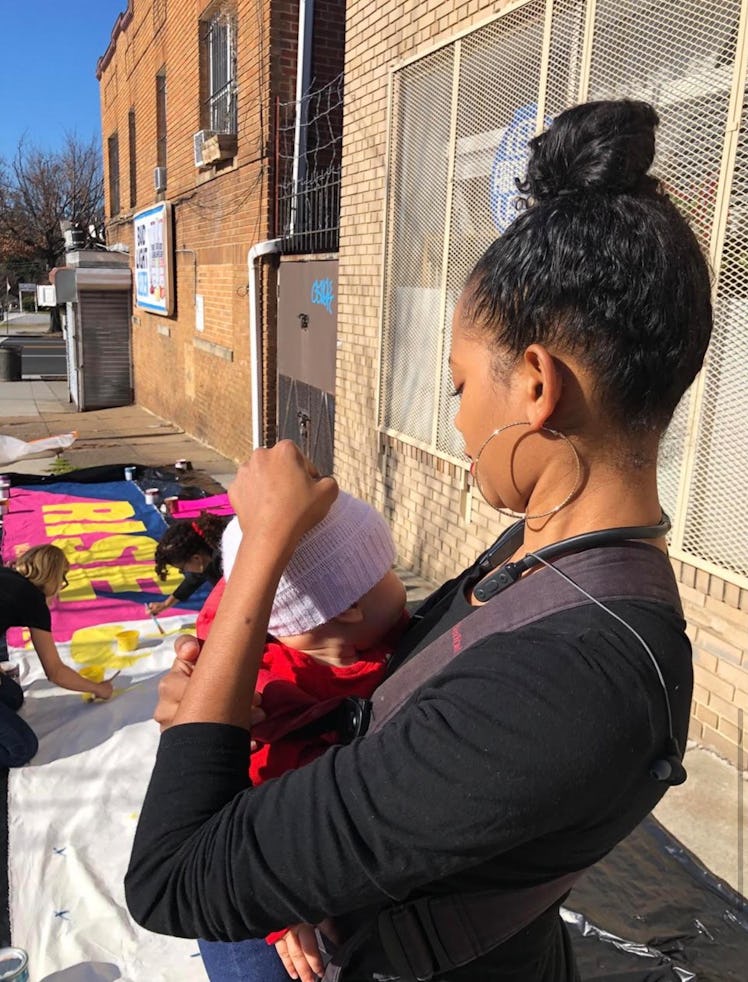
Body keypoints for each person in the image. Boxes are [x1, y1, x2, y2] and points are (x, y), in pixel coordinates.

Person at [125, 100, 712, 982]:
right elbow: (383, 701)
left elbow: (173, 876)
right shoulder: (544, 560)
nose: (460, 417)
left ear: (537, 387)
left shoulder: (573, 674)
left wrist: (265, 548)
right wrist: (228, 691)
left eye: (459, 385)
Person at [189, 494, 406, 981]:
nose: (402, 589)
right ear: (350, 607)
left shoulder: (373, 639)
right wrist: (284, 905)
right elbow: (250, 824)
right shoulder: (271, 706)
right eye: (389, 574)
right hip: (265, 887)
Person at [0, 545, 115, 767]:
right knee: (21, 749)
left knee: (13, 697)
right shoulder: (32, 599)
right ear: (54, 577)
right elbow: (55, 672)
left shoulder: (8, 575)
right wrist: (98, 688)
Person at [147, 513, 227, 617]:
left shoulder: (225, 566)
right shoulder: (207, 558)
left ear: (196, 558)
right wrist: (166, 604)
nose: (184, 572)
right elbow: (193, 580)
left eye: (182, 569)